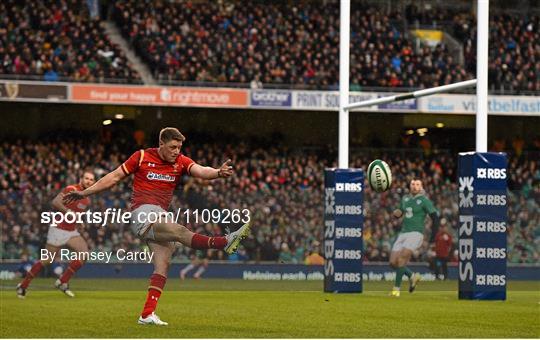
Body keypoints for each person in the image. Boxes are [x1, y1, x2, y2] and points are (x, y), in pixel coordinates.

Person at [63, 127, 251, 325]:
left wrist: (217, 173)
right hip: (142, 213)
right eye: (172, 147)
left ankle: (146, 314)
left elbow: (201, 170)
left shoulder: (180, 161)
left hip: (160, 215)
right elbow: (114, 177)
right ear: (161, 144)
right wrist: (85, 193)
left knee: (163, 265)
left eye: (179, 147)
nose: (176, 151)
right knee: (179, 231)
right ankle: (225, 242)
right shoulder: (142, 156)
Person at [16, 169, 96, 298]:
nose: (89, 181)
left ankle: (62, 282)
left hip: (71, 231)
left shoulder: (87, 200)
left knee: (84, 253)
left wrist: (80, 222)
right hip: (57, 229)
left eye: (92, 179)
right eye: (86, 178)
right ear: (81, 179)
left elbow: (76, 215)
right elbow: (55, 202)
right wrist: (68, 211)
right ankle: (23, 286)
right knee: (47, 260)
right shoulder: (71, 189)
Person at [389, 179, 439, 297]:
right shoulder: (405, 199)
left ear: (421, 187)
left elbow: (435, 218)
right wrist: (396, 213)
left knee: (401, 260)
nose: (415, 186)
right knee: (392, 262)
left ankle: (396, 290)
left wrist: (432, 238)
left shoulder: (424, 201)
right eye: (412, 184)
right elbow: (399, 213)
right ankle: (412, 276)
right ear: (409, 186)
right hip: (403, 233)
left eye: (417, 184)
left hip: (416, 234)